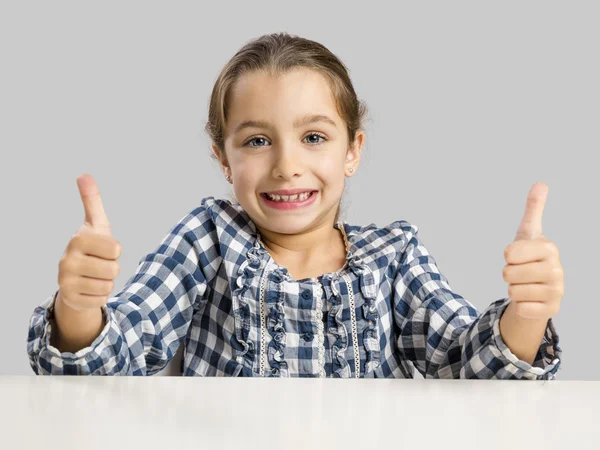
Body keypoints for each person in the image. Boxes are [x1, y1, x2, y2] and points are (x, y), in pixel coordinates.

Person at [26, 32, 562, 379]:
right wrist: (79, 308)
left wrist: (526, 315)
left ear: (352, 150)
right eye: (257, 141)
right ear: (223, 158)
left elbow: (469, 365)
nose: (286, 166)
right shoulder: (209, 240)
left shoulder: (394, 256)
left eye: (314, 137)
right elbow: (117, 352)